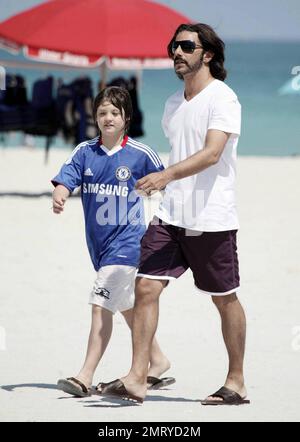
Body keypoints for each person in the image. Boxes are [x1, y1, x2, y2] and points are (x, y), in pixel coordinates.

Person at [101, 23, 250, 406]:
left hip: (211, 218)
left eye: (186, 46)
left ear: (209, 54)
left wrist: (165, 175)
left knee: (224, 298)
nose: (177, 53)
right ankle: (138, 375)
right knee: (146, 286)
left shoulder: (224, 99)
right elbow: (178, 149)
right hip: (171, 215)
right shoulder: (172, 103)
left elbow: (212, 153)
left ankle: (236, 381)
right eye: (174, 46)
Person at [52, 86, 174, 398]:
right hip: (99, 247)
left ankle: (84, 376)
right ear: (95, 117)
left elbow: (164, 183)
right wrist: (60, 193)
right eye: (103, 112)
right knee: (125, 307)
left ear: (126, 119)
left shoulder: (140, 154)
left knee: (99, 303)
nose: (108, 117)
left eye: (115, 113)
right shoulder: (84, 152)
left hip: (129, 244)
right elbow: (67, 178)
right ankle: (157, 360)